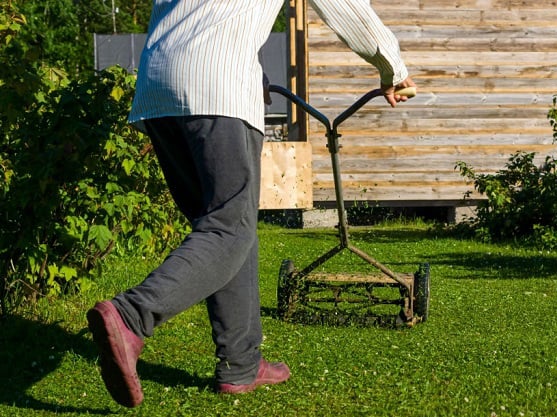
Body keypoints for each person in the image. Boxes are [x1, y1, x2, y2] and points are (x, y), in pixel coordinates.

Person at [86, 0, 416, 408]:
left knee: (224, 230)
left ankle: (240, 365)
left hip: (159, 84)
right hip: (217, 87)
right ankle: (131, 316)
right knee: (228, 229)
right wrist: (392, 69)